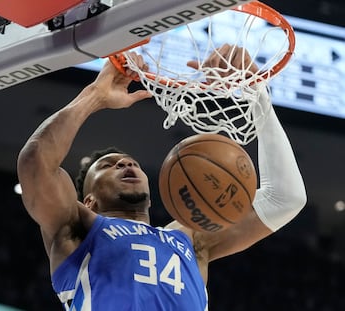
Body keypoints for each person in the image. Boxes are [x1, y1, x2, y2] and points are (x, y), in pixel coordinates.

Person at [17, 45, 307, 310]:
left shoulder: (189, 239)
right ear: (89, 201)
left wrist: (256, 93)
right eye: (108, 165)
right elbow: (36, 163)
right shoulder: (78, 229)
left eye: (131, 162)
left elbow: (286, 198)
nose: (126, 163)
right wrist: (94, 95)